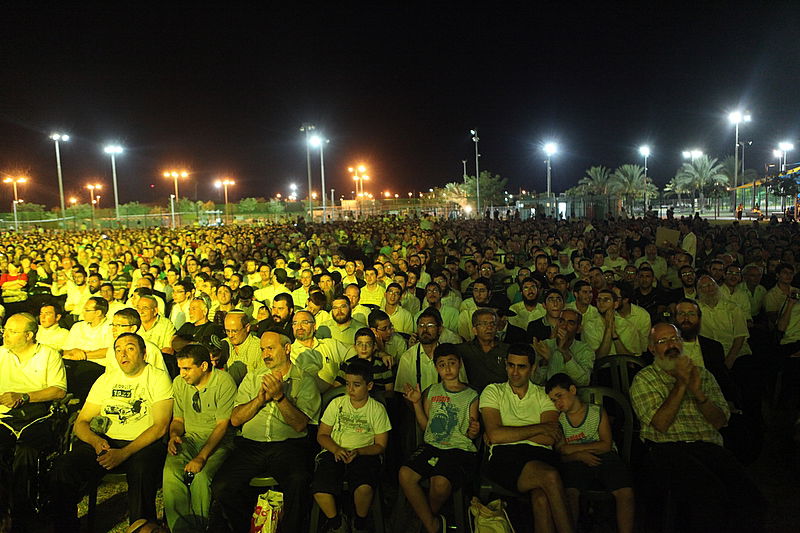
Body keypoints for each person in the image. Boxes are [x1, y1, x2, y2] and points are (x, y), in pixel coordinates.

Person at [629, 323, 764, 533]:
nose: (671, 345)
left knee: (750, 498)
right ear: (652, 349)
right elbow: (661, 424)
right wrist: (681, 385)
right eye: (662, 341)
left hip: (708, 445)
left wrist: (699, 394)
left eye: (674, 339)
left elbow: (720, 422)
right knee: (709, 496)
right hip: (667, 447)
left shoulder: (703, 375)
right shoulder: (644, 378)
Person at [49, 332, 173, 532]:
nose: (123, 354)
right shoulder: (106, 379)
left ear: (144, 353)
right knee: (64, 466)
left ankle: (141, 527)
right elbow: (81, 422)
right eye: (118, 350)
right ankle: (66, 527)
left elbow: (160, 426)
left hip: (141, 444)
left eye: (130, 348)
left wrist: (124, 453)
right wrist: (95, 441)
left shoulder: (157, 377)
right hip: (105, 442)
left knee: (142, 469)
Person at [209, 331, 321, 533]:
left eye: (270, 348)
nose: (265, 354)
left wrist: (280, 398)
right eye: (262, 349)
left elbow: (300, 425)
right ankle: (247, 527)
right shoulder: (253, 377)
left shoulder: (304, 380)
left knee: (299, 480)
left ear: (287, 349)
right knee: (222, 486)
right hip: (251, 445)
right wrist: (259, 400)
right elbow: (235, 419)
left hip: (287, 446)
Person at [480, 343, 574, 533]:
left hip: (540, 454)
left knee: (541, 499)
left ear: (532, 368)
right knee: (550, 476)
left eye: (521, 367)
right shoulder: (493, 391)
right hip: (504, 457)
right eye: (511, 365)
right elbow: (495, 435)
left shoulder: (543, 394)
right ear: (506, 365)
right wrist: (539, 427)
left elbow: (549, 438)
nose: (515, 372)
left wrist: (507, 432)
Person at [399, 344, 480, 533]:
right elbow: (425, 426)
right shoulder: (432, 391)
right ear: (436, 368)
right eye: (442, 365)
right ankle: (432, 524)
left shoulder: (471, 395)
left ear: (459, 364)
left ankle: (423, 521)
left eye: (452, 363)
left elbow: (470, 434)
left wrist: (474, 431)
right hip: (432, 446)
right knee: (405, 474)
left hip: (459, 449)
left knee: (440, 483)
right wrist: (416, 403)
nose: (448, 368)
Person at [545, 373, 634, 533]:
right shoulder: (560, 420)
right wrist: (579, 455)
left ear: (572, 390)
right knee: (570, 493)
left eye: (560, 396)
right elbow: (562, 453)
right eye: (553, 400)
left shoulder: (596, 411)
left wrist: (573, 449)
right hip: (575, 461)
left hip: (605, 457)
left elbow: (606, 445)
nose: (558, 403)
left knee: (625, 492)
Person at [0, 313, 67, 524]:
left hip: (38, 414)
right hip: (3, 415)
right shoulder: (1, 354)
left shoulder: (48, 354)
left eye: (12, 331)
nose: (5, 335)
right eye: (5, 330)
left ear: (29, 335)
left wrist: (25, 397)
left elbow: (59, 390)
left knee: (27, 451)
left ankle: (22, 513)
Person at [163, 344, 236, 533]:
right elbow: (178, 419)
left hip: (218, 441)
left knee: (201, 478)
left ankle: (199, 527)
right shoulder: (180, 383)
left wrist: (201, 457)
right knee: (171, 472)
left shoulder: (223, 382)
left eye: (187, 368)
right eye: (180, 368)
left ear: (203, 366)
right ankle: (180, 529)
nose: (182, 374)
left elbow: (222, 425)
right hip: (190, 438)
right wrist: (174, 435)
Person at [313, 358, 391, 533]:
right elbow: (322, 435)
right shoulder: (337, 404)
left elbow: (380, 445)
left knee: (364, 488)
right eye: (348, 384)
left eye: (356, 385)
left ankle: (359, 521)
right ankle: (336, 522)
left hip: (364, 453)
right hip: (334, 451)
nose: (350, 389)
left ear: (369, 386)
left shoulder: (376, 409)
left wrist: (360, 451)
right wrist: (336, 449)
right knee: (320, 489)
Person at [532, 309, 594, 386]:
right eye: (561, 321)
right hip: (548, 391)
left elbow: (584, 382)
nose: (564, 326)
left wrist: (565, 352)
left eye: (570, 323)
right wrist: (545, 362)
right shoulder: (546, 345)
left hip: (574, 392)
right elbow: (536, 381)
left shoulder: (585, 350)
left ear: (578, 329)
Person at [455, 308, 509, 393]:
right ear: (474, 330)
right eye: (484, 324)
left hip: (501, 395)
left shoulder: (507, 350)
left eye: (493, 324)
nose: (489, 327)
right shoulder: (463, 350)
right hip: (472, 396)